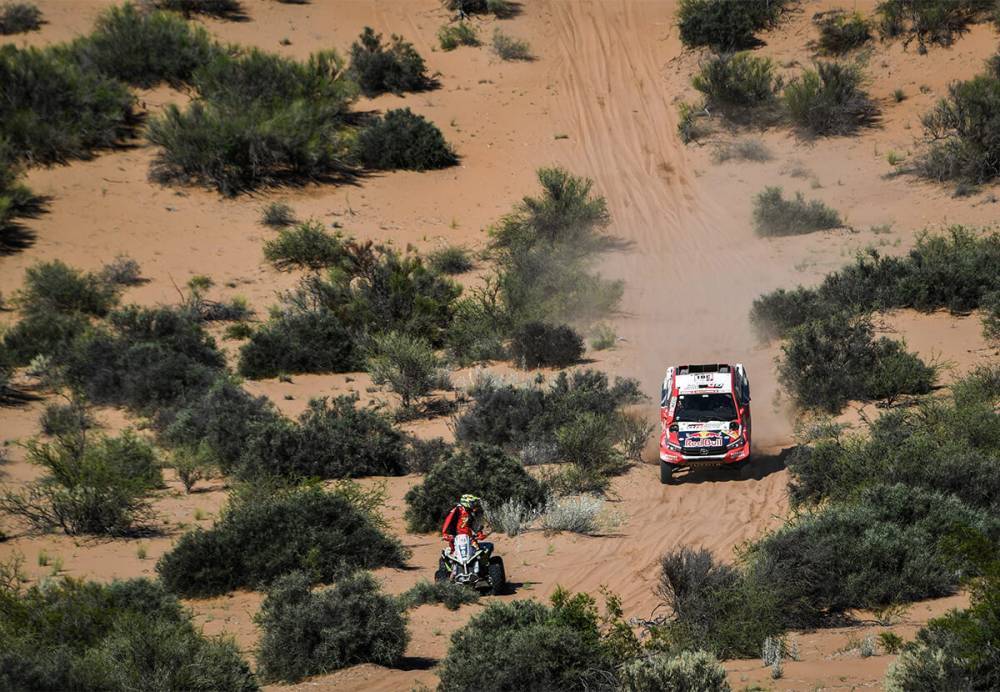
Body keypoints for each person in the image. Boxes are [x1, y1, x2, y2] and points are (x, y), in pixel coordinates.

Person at [441, 493, 493, 560]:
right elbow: (448, 520)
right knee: (451, 554)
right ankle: (450, 566)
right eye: (472, 503)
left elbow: (473, 525)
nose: (474, 504)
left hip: (469, 537)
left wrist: (479, 533)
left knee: (480, 551)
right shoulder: (458, 509)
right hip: (456, 537)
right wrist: (445, 533)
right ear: (466, 503)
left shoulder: (470, 512)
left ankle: (483, 567)